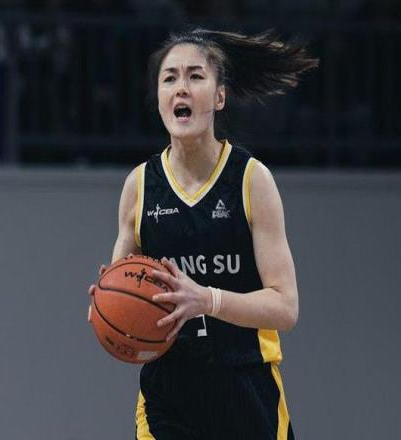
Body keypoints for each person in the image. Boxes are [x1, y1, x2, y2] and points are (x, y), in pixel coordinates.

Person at [89, 28, 319, 440]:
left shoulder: (251, 180)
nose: (181, 87)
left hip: (245, 388)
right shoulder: (140, 186)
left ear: (219, 97)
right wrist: (108, 303)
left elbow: (285, 307)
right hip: (168, 397)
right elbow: (122, 284)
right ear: (159, 98)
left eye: (195, 76)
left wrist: (207, 299)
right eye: (170, 78)